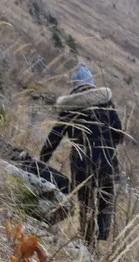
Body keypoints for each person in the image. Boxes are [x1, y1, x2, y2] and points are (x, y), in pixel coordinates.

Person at [39, 63, 125, 247]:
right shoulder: (105, 102)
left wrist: (42, 160)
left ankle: (87, 243)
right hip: (106, 162)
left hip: (81, 164)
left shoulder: (70, 108)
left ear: (75, 84)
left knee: (86, 204)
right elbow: (118, 132)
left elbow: (54, 137)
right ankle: (102, 242)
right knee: (106, 202)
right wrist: (110, 145)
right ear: (91, 82)